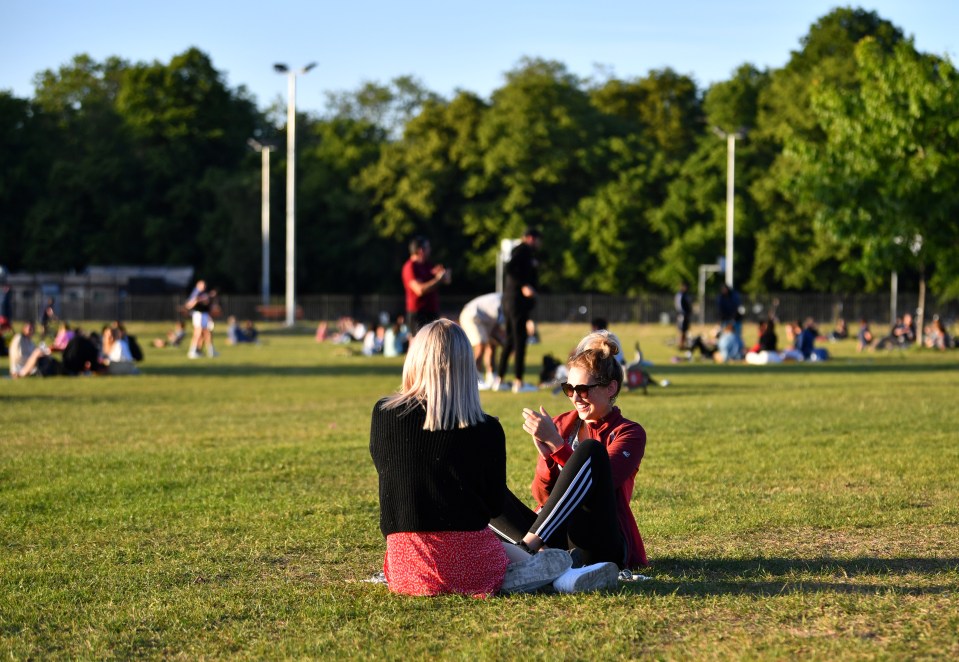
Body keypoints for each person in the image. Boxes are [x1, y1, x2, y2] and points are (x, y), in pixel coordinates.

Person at [369, 319, 572, 597]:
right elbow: (492, 506)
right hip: (471, 563)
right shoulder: (486, 429)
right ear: (466, 367)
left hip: (406, 566)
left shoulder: (383, 413)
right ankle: (544, 572)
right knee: (519, 552)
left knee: (486, 545)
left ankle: (533, 566)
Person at [489, 330, 646, 592]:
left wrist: (558, 447)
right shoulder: (563, 423)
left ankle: (527, 551)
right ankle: (541, 561)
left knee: (591, 451)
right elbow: (542, 495)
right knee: (489, 494)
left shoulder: (629, 433)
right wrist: (546, 457)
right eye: (569, 388)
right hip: (557, 537)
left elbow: (602, 483)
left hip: (599, 541)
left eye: (583, 389)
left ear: (611, 388)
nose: (575, 397)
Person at [494, 227, 542, 393]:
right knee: (520, 340)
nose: (539, 244)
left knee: (509, 339)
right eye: (538, 240)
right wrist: (524, 285)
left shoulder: (524, 253)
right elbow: (510, 268)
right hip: (517, 302)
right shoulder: (523, 250)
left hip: (510, 301)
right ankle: (518, 382)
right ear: (530, 238)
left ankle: (499, 380)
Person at [401, 236, 450, 337]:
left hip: (431, 311)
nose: (430, 250)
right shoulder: (410, 266)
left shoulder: (428, 265)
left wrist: (445, 275)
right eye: (428, 247)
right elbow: (419, 290)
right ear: (420, 250)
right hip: (418, 312)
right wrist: (438, 279)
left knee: (434, 342)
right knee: (418, 344)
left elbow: (447, 281)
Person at [458, 292, 505, 389]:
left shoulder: (503, 299)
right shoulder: (504, 302)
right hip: (472, 315)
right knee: (480, 345)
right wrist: (506, 344)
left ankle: (491, 376)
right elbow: (496, 330)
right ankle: (474, 379)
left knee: (492, 344)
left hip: (484, 319)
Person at [185, 280, 218, 359]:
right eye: (202, 285)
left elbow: (207, 304)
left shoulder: (203, 293)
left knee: (207, 333)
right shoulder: (196, 293)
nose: (204, 287)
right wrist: (201, 299)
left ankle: (208, 351)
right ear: (198, 285)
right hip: (199, 314)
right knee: (198, 332)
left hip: (205, 314)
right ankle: (192, 351)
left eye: (204, 285)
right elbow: (189, 304)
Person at [675, 282, 692, 350]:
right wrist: (683, 313)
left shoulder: (686, 295)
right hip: (682, 315)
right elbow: (679, 306)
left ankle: (683, 344)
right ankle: (680, 345)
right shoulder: (680, 295)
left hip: (686, 315)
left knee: (685, 331)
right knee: (681, 330)